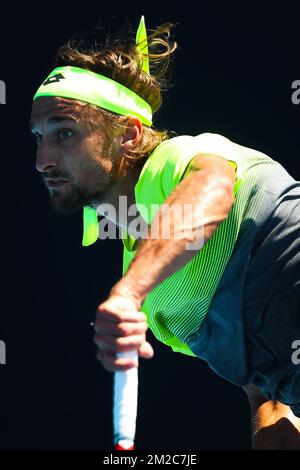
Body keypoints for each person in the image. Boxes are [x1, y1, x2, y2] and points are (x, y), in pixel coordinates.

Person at [30, 17, 300, 449]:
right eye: (38, 136)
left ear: (130, 136)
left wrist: (128, 292)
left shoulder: (181, 157)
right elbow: (266, 394)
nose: (42, 158)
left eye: (65, 132)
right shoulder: (159, 305)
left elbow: (210, 193)